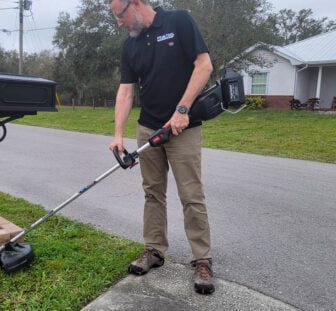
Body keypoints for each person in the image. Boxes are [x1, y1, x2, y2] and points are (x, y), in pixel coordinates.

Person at [108, 0, 215, 294]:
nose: (119, 23)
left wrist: (182, 109)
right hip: (149, 129)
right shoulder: (130, 46)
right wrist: (118, 134)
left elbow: (203, 65)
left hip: (183, 129)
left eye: (120, 15)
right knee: (152, 193)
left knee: (191, 195)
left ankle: (202, 259)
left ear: (137, 3)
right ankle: (154, 250)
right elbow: (126, 90)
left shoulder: (178, 22)